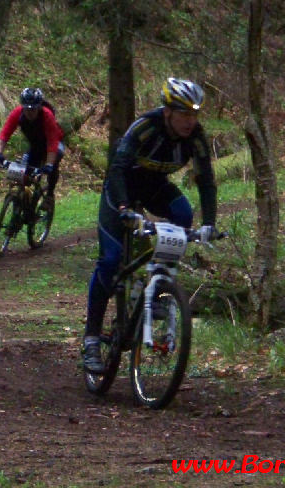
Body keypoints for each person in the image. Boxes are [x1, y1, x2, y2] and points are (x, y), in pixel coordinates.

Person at [83, 78, 218, 373]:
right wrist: (123, 208)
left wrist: (209, 223)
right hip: (121, 189)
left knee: (183, 214)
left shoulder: (196, 137)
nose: (190, 121)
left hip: (154, 187)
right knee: (110, 260)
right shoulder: (145, 127)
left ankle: (157, 286)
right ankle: (91, 338)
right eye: (184, 114)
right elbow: (117, 169)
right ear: (167, 112)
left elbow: (206, 180)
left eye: (195, 114)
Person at [0, 87, 65, 206]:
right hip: (36, 145)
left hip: (54, 143)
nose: (29, 112)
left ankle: (49, 195)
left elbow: (52, 143)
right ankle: (24, 200)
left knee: (55, 160)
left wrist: (49, 165)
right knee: (24, 173)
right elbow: (5, 134)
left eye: (33, 109)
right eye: (27, 109)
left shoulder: (47, 115)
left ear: (39, 107)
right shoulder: (18, 112)